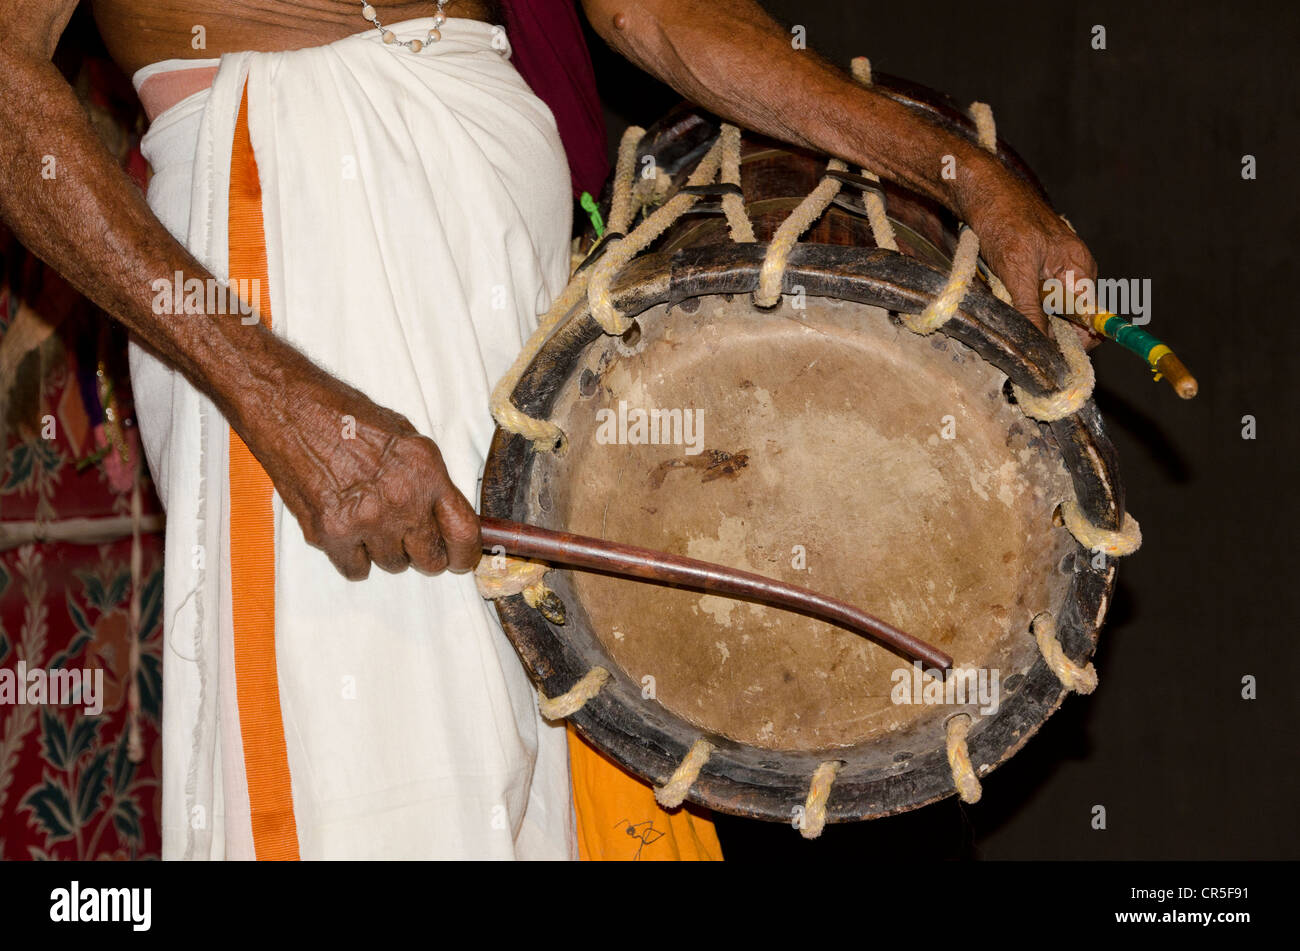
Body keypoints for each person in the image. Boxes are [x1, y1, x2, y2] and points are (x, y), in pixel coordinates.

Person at [0, 0, 1098, 860]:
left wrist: (964, 178)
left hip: (513, 274)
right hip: (296, 244)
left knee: (538, 799)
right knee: (380, 798)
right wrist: (278, 393)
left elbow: (661, 14)